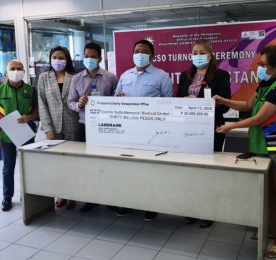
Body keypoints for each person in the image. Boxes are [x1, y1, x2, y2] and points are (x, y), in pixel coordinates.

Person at [214, 45, 276, 258]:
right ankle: (269, 229)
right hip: (262, 147)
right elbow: (246, 106)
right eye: (259, 64)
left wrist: (229, 127)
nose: (259, 68)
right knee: (268, 192)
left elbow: (259, 118)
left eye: (263, 65)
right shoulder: (264, 84)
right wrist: (223, 101)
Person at [114, 39, 173, 221]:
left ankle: (151, 206)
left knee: (151, 170)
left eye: (144, 51)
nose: (140, 54)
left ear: (152, 55)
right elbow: (115, 97)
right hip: (128, 132)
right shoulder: (125, 76)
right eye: (137, 51)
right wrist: (119, 97)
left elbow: (169, 104)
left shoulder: (161, 76)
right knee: (129, 170)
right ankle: (129, 203)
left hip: (152, 132)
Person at [177, 39, 231, 229]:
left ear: (210, 54)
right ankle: (191, 210)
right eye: (194, 52)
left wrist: (199, 102)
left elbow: (225, 105)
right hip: (188, 129)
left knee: (209, 171)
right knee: (190, 171)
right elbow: (177, 100)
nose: (197, 56)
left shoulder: (221, 75)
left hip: (212, 129)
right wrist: (185, 101)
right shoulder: (185, 75)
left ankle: (208, 212)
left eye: (201, 52)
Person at [67, 42, 118, 212]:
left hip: (107, 127)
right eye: (86, 56)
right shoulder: (76, 79)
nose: (89, 59)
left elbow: (117, 100)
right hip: (85, 126)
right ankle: (92, 198)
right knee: (89, 165)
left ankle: (111, 198)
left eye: (93, 56)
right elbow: (70, 102)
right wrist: (79, 105)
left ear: (100, 58)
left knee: (108, 164)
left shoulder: (110, 77)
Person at [0, 60, 39, 212]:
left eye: (19, 69)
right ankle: (7, 197)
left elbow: (37, 111)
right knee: (8, 167)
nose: (16, 71)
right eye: (12, 69)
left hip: (26, 134)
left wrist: (29, 117)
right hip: (6, 136)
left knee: (28, 167)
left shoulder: (31, 90)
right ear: (6, 72)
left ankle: (27, 194)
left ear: (24, 72)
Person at [37, 45, 79, 209]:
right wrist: (47, 127)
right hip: (53, 127)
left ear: (67, 59)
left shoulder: (75, 76)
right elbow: (41, 103)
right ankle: (61, 194)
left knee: (72, 163)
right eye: (54, 57)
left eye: (61, 58)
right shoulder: (44, 77)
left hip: (72, 123)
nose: (58, 60)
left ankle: (73, 195)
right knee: (57, 163)